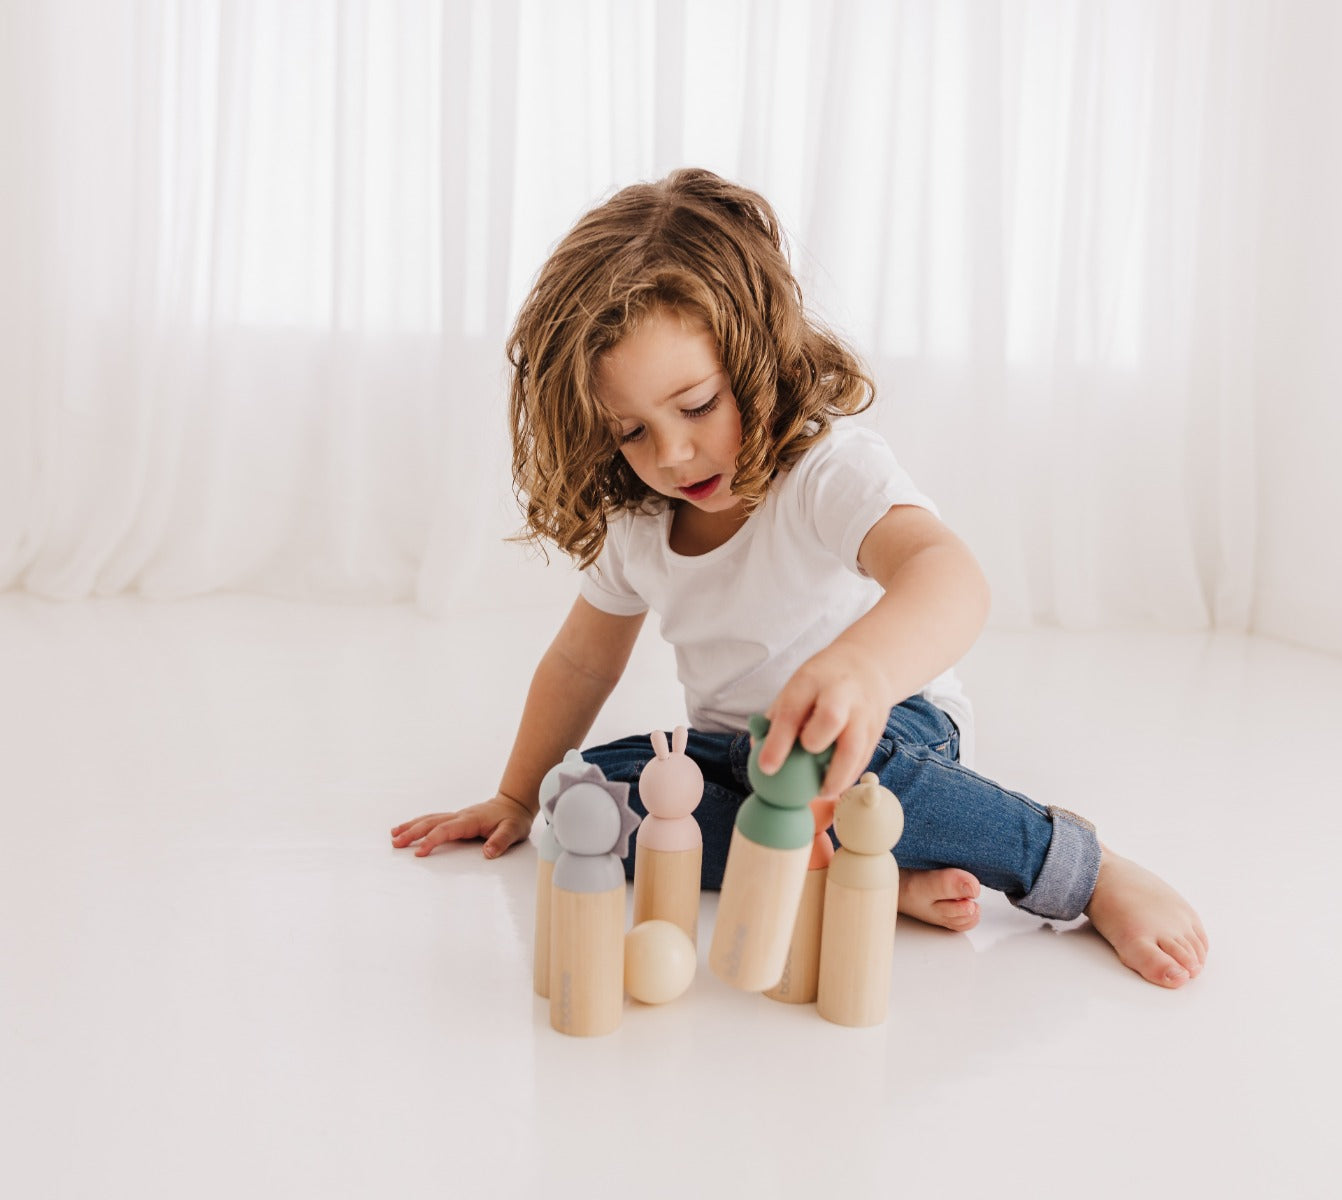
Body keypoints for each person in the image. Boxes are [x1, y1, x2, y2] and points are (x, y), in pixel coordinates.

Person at [390, 168, 1207, 989]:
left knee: (810, 771)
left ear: (757, 357)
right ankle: (860, 873)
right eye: (631, 432)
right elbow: (580, 662)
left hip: (888, 737)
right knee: (586, 803)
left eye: (697, 405)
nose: (671, 454)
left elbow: (947, 574)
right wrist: (516, 797)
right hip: (738, 758)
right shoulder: (636, 521)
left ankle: (1083, 870)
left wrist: (863, 671)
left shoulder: (826, 473)